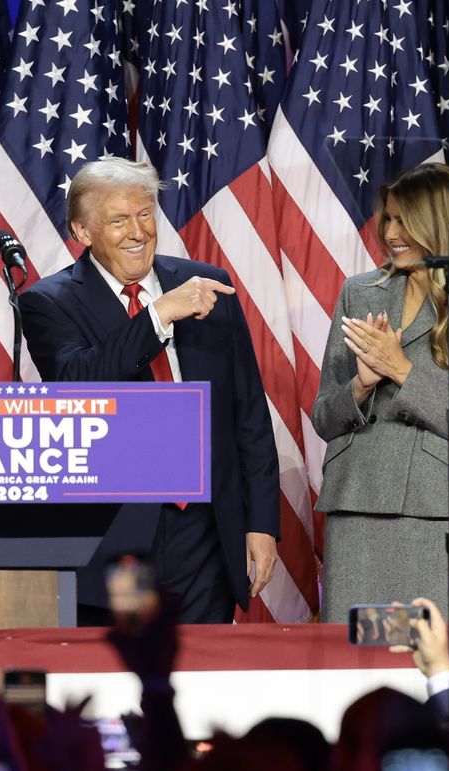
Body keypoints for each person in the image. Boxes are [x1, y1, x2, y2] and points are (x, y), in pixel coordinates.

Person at [19, 156, 279, 624]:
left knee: (202, 676)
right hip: (119, 535)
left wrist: (261, 523)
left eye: (145, 214)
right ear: (83, 232)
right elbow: (76, 382)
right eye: (118, 220)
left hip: (205, 529)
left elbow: (248, 415)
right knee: (129, 675)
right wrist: (157, 316)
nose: (138, 232)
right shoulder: (48, 302)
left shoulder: (205, 284)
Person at [311, 163, 449, 624]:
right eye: (387, 219)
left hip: (438, 512)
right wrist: (362, 384)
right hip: (358, 508)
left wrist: (402, 371)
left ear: (439, 223)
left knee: (437, 666)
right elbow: (324, 418)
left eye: (404, 220)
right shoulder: (359, 293)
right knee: (359, 663)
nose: (390, 232)